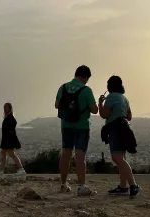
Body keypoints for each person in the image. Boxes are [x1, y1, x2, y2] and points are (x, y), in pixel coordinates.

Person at [55, 65, 98, 196]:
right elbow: (95, 110)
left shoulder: (63, 87)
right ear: (85, 77)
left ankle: (63, 184)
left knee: (65, 154)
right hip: (82, 126)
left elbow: (57, 105)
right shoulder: (86, 90)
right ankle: (81, 187)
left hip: (66, 125)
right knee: (80, 157)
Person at [98, 75, 140, 197]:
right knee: (122, 159)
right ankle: (123, 187)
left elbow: (104, 114)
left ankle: (133, 185)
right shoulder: (124, 98)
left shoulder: (111, 97)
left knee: (117, 158)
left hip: (115, 129)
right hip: (125, 128)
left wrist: (100, 103)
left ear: (109, 86)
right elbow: (129, 116)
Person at [0, 102, 26, 177]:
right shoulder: (8, 117)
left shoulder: (10, 117)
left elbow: (13, 124)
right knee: (3, 154)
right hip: (6, 139)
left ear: (10, 108)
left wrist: (9, 132)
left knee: (12, 154)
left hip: (8, 139)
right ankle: (1, 171)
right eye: (4, 107)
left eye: (6, 107)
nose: (5, 109)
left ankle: (21, 169)